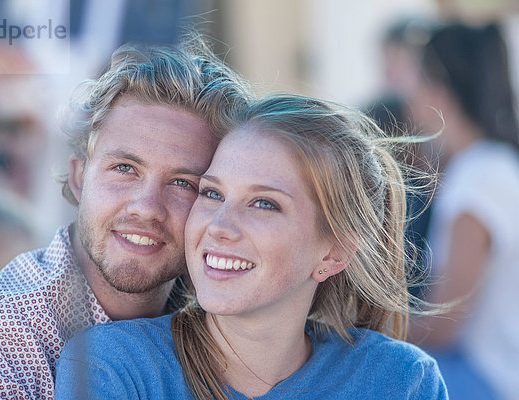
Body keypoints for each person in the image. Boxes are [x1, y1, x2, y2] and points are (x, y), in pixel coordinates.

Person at [55, 95, 448, 399]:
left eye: (264, 204)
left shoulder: (401, 380)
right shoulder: (113, 367)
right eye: (211, 193)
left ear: (334, 253)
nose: (220, 227)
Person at [0, 35, 251, 400]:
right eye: (125, 168)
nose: (146, 207)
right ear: (79, 177)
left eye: (183, 183)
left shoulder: (228, 324)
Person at [408, 23, 519, 400]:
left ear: (438, 88)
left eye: (416, 81)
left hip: (485, 378)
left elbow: (445, 324)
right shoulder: (489, 165)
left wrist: (360, 326)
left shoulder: (479, 178)